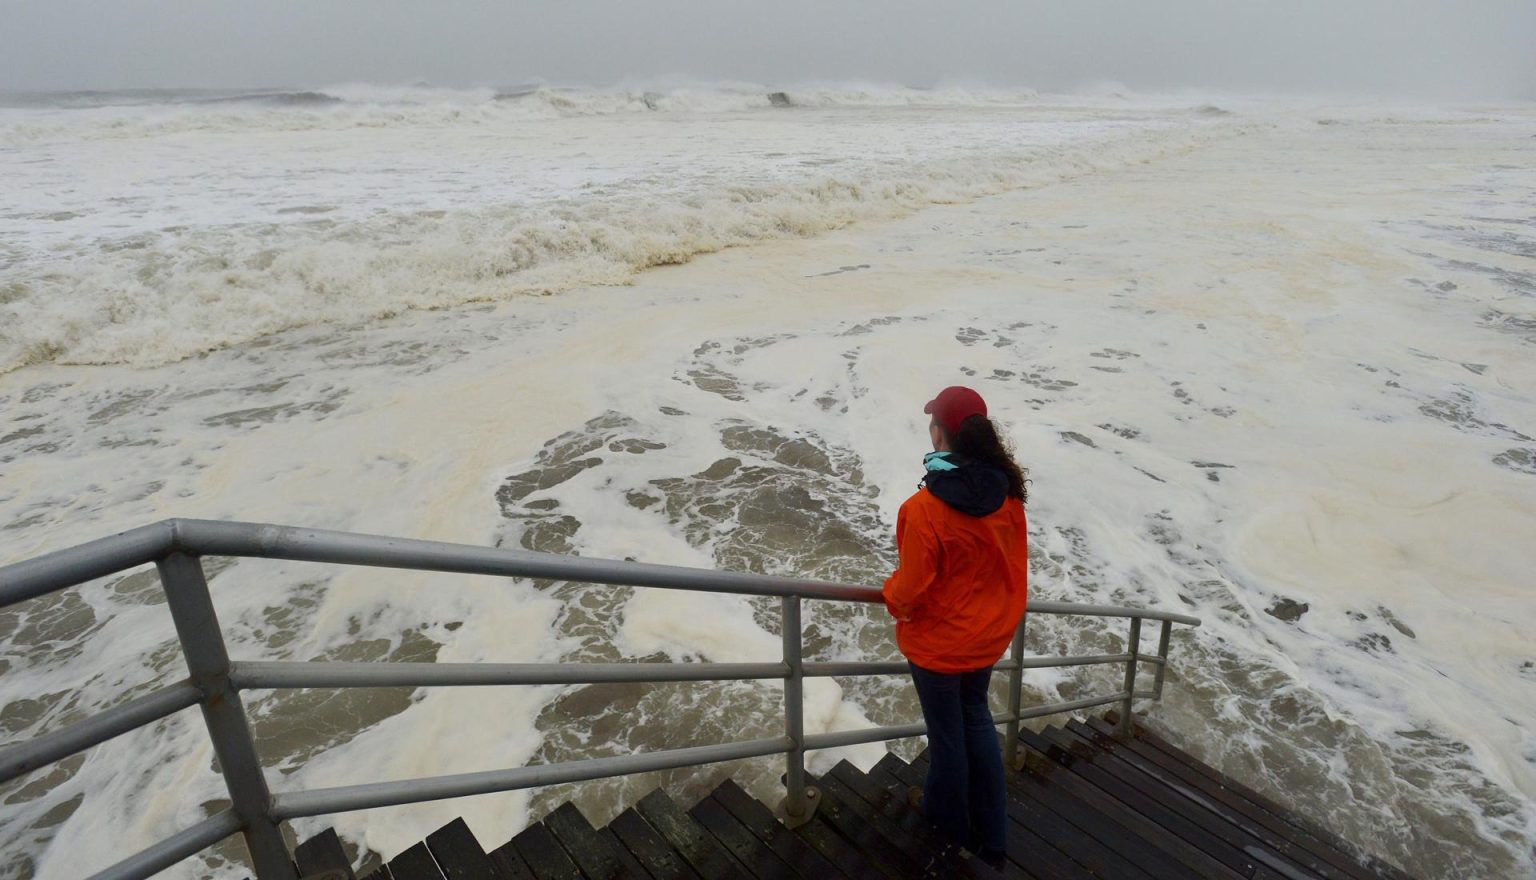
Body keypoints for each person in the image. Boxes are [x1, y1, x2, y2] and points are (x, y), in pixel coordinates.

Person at [882, 385, 1029, 862]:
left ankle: (943, 820)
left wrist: (890, 595)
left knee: (948, 739)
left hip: (941, 649)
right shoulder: (1008, 496)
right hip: (986, 639)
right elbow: (1010, 566)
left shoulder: (923, 510)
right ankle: (994, 836)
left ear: (939, 434)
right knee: (976, 721)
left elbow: (910, 589)